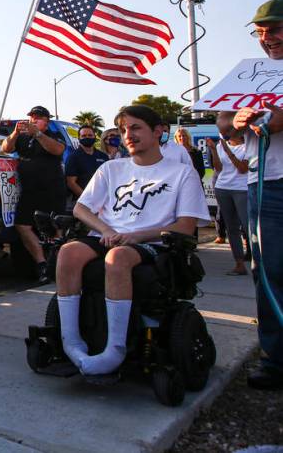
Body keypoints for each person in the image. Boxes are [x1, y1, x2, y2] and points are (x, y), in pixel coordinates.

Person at [56, 105, 209, 376]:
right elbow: (81, 208)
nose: (128, 134)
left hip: (154, 242)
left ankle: (114, 350)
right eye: (124, 129)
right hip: (109, 235)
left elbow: (185, 226)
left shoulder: (181, 173)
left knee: (118, 257)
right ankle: (72, 342)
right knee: (68, 253)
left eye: (136, 127)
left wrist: (135, 236)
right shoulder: (111, 169)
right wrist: (104, 229)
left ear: (158, 131)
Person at [232, 0, 283, 389]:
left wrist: (265, 117)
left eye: (276, 29)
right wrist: (236, 118)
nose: (268, 39)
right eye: (261, 32)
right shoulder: (251, 75)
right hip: (262, 183)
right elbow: (224, 120)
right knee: (266, 270)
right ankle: (276, 357)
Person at [0, 105, 67, 282]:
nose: (33, 120)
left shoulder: (53, 135)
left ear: (47, 121)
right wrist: (15, 133)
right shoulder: (22, 138)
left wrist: (37, 134)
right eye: (31, 117)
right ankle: (42, 264)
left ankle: (57, 267)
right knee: (22, 225)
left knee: (55, 228)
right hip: (29, 191)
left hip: (52, 190)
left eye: (38, 118)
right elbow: (6, 148)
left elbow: (58, 150)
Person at [207, 112, 249, 276]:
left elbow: (242, 168)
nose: (225, 133)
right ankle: (239, 263)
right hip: (223, 187)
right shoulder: (220, 145)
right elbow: (218, 168)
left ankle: (258, 259)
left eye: (228, 130)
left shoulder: (248, 146)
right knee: (231, 228)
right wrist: (214, 150)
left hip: (242, 189)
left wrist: (228, 151)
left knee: (247, 226)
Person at [65, 125, 109, 200]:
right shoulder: (73, 157)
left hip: (103, 199)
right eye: (84, 136)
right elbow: (71, 183)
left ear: (94, 137)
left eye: (90, 135)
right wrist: (86, 199)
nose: (87, 137)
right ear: (79, 138)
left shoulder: (103, 156)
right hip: (83, 201)